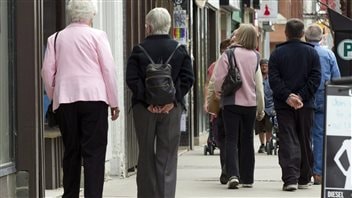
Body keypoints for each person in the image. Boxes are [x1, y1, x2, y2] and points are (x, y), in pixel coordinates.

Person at [41, 0, 120, 197]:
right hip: (94, 98)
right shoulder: (98, 36)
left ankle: (70, 195)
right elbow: (108, 70)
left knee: (71, 151)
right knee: (94, 153)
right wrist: (114, 102)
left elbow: (46, 71)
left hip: (66, 100)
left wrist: (54, 96)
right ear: (90, 15)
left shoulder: (56, 38)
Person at [126, 7, 194, 198]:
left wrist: (148, 102)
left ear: (148, 27)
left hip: (144, 110)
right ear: (169, 27)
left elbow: (132, 79)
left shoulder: (139, 50)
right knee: (167, 157)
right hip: (171, 110)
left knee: (146, 156)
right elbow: (188, 78)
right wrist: (172, 101)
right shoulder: (180, 50)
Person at [268, 18, 321, 191]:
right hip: (306, 105)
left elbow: (274, 80)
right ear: (302, 34)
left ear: (286, 33)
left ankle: (290, 178)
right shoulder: (312, 53)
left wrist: (288, 96)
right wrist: (301, 96)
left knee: (287, 138)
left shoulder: (277, 53)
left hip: (284, 105)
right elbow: (315, 78)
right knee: (305, 139)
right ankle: (304, 178)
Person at [213, 23, 265, 189]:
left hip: (231, 102)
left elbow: (219, 78)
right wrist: (260, 107)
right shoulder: (256, 56)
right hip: (249, 104)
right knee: (248, 139)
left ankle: (233, 174)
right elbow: (258, 84)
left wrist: (218, 93)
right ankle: (248, 177)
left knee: (231, 139)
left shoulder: (229, 53)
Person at [305, 24, 341, 185]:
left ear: (306, 37)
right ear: (321, 38)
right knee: (319, 135)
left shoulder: (302, 53)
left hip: (303, 98)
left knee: (303, 134)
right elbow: (336, 78)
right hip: (323, 98)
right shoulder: (328, 54)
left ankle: (303, 171)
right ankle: (318, 172)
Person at [204, 38, 232, 184]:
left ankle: (228, 170)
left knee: (226, 140)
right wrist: (207, 102)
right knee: (223, 139)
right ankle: (227, 170)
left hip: (223, 106)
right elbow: (208, 84)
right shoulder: (214, 65)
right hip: (222, 107)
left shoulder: (219, 64)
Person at [255, 59, 274, 154]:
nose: (264, 67)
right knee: (259, 126)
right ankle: (262, 144)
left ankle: (268, 143)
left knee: (269, 126)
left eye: (266, 66)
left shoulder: (272, 79)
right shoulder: (256, 77)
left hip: (270, 106)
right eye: (262, 65)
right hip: (258, 106)